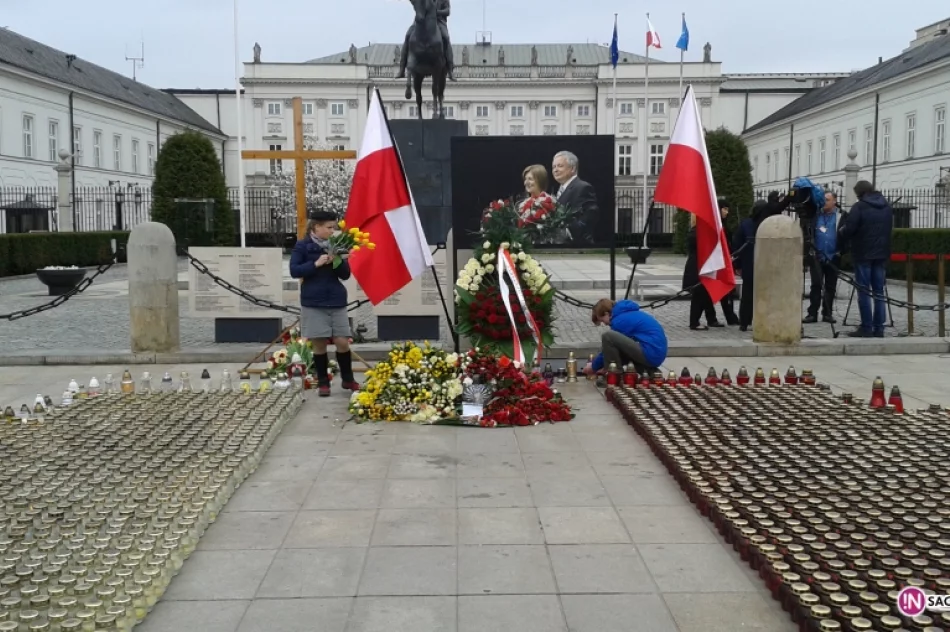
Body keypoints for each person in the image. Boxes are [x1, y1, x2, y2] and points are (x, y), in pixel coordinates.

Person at [288, 212, 360, 396]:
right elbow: (294, 270)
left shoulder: (337, 245)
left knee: (342, 341)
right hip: (314, 301)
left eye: (334, 227)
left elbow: (345, 275)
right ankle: (323, 382)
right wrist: (316, 264)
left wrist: (338, 260)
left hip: (336, 300)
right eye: (329, 227)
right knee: (319, 343)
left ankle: (348, 379)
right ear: (316, 227)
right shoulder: (303, 246)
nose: (332, 231)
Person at [838, 180, 893, 337]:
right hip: (881, 253)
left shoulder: (859, 207)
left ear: (859, 193)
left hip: (863, 253)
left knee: (864, 291)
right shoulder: (886, 206)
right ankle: (879, 328)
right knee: (879, 292)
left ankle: (867, 328)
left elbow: (850, 229)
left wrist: (841, 232)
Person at [584, 298, 668, 379]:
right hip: (655, 353)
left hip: (651, 353)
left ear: (606, 314)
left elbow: (607, 348)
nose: (605, 324)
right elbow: (617, 350)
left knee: (608, 336)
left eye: (602, 320)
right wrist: (602, 365)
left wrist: (593, 367)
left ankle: (614, 376)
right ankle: (651, 373)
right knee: (617, 349)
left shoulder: (619, 321)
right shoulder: (626, 314)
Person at [803, 191, 845, 324]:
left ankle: (827, 313)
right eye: (823, 199)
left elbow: (847, 235)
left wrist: (841, 251)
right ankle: (812, 313)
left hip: (833, 256)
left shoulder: (841, 216)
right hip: (817, 256)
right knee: (816, 285)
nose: (824, 202)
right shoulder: (816, 215)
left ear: (834, 201)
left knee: (830, 286)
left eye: (827, 199)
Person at [396, 0, 456, 81]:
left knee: (446, 38)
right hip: (421, 22)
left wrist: (436, 12)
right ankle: (402, 69)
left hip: (439, 22)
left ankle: (450, 69)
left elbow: (447, 11)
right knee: (408, 36)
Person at [683, 213, 724, 330]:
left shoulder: (697, 231)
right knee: (699, 294)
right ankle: (694, 322)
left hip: (701, 266)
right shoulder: (697, 232)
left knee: (705, 294)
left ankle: (711, 319)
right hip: (697, 267)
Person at [551, 150, 598, 246]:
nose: (555, 170)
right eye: (554, 167)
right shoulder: (557, 190)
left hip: (578, 245)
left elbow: (590, 216)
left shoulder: (583, 187)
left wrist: (568, 231)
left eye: (560, 166)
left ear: (572, 168)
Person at [716, 199, 740, 325]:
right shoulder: (718, 225)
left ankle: (729, 316)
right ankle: (728, 317)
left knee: (727, 291)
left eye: (727, 210)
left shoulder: (725, 225)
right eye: (724, 209)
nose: (727, 212)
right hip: (720, 262)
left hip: (726, 261)